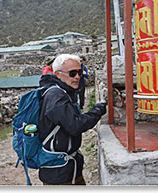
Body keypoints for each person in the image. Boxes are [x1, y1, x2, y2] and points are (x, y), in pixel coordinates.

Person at [38, 54, 107, 185]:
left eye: (79, 72)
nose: (77, 77)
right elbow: (75, 125)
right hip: (59, 174)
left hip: (67, 169)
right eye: (72, 73)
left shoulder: (63, 92)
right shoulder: (56, 96)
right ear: (58, 74)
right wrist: (99, 109)